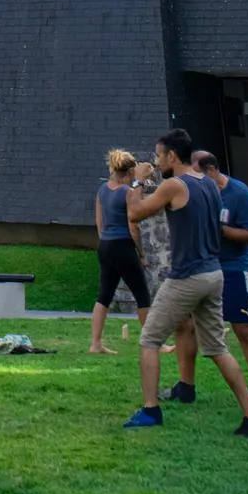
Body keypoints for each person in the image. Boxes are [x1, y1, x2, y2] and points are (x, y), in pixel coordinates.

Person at [122, 128, 248, 437]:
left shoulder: (175, 185)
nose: (157, 162)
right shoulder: (210, 185)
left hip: (187, 277)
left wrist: (137, 180)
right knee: (217, 347)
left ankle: (150, 411)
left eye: (159, 156)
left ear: (172, 156)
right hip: (214, 274)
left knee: (149, 340)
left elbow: (134, 214)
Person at [157, 153, 248, 411]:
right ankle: (185, 387)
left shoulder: (240, 194)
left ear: (212, 170)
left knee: (244, 329)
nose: (196, 179)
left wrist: (219, 228)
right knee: (185, 324)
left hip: (232, 269)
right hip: (199, 267)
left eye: (200, 174)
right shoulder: (194, 189)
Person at [89, 150, 154, 355]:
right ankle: (154, 344)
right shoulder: (127, 192)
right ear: (128, 172)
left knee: (104, 296)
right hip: (123, 246)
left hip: (105, 245)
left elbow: (99, 222)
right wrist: (141, 254)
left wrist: (104, 241)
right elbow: (134, 226)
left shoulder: (102, 190)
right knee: (142, 295)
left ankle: (95, 344)